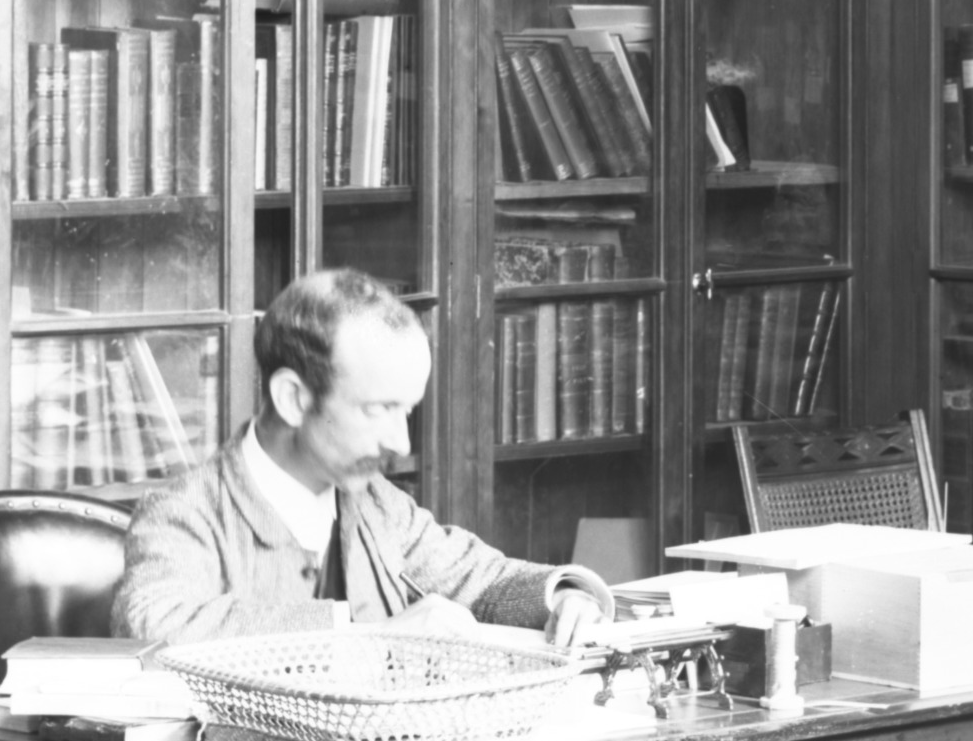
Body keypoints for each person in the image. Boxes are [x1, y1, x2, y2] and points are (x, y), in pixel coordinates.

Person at [115, 268, 610, 653]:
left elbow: (481, 579)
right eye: (378, 410)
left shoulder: (377, 506)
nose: (399, 442)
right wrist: (364, 635)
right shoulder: (183, 513)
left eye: (408, 411)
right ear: (293, 398)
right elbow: (159, 629)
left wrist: (563, 597)